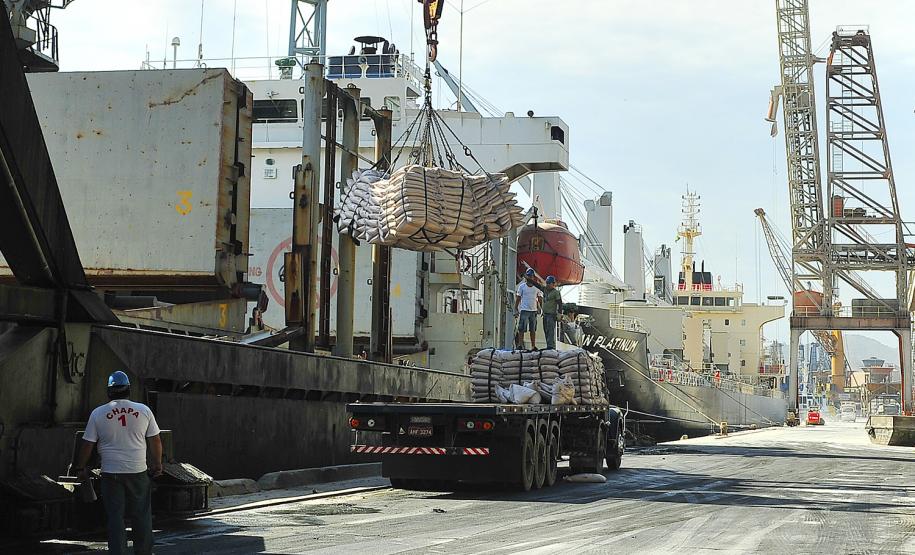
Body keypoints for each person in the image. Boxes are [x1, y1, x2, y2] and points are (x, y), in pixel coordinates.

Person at [73, 371, 163, 555]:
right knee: (141, 515)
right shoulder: (144, 410)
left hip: (111, 472)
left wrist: (80, 467)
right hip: (137, 470)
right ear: (128, 389)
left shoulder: (98, 413)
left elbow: (87, 444)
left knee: (115, 516)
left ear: (109, 391)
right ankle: (143, 551)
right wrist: (157, 463)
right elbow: (155, 440)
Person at [515, 268, 542, 350]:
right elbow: (518, 298)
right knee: (521, 328)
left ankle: (533, 345)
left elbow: (540, 298)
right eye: (529, 276)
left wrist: (541, 308)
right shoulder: (522, 287)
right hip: (524, 310)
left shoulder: (536, 287)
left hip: (533, 311)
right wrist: (516, 308)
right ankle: (520, 344)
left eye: (531, 276)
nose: (530, 277)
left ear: (533, 277)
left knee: (533, 329)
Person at [541, 275, 563, 350]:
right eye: (547, 283)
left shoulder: (556, 293)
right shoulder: (544, 290)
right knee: (546, 330)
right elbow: (537, 285)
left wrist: (559, 313)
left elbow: (560, 303)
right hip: (545, 314)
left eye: (549, 283)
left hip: (551, 315)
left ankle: (550, 346)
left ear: (553, 284)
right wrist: (529, 279)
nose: (547, 284)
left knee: (550, 331)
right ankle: (548, 345)